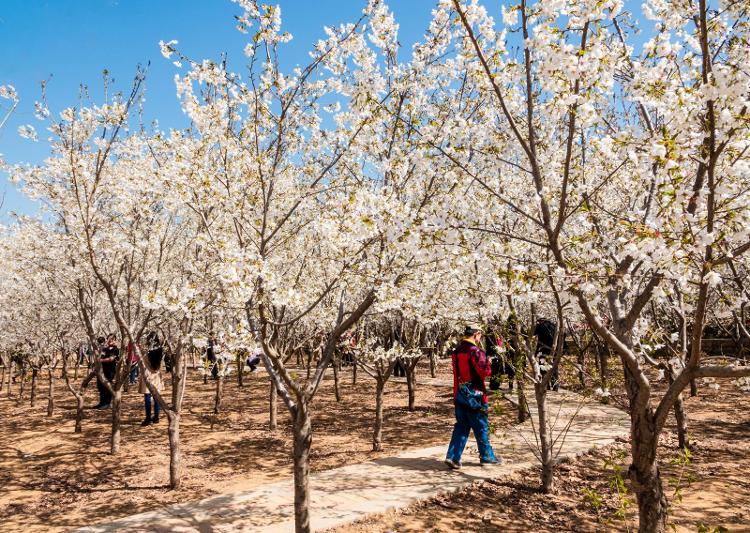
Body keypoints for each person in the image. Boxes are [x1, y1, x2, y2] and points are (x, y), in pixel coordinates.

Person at [445, 325, 501, 469]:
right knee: (481, 425)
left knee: (461, 426)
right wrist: (488, 362)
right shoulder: (475, 351)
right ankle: (487, 456)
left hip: (459, 393)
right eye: (480, 335)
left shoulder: (457, 351)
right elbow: (484, 372)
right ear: (476, 334)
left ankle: (452, 457)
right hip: (476, 395)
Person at [139, 332, 164, 426]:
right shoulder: (160, 350)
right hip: (157, 375)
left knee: (147, 397)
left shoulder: (146, 350)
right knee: (156, 397)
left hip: (148, 375)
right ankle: (156, 417)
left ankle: (148, 418)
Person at [534, 318, 560, 391]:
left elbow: (532, 333)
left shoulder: (540, 326)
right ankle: (555, 386)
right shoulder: (555, 326)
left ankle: (546, 385)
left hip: (542, 349)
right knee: (554, 367)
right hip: (554, 350)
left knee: (543, 367)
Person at [95, 334, 119, 409]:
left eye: (112, 339)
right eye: (109, 339)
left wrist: (100, 360)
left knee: (107, 385)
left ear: (115, 340)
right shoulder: (105, 349)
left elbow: (111, 359)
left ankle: (107, 403)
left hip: (110, 370)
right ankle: (102, 402)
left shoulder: (116, 349)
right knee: (100, 386)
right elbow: (101, 356)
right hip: (102, 370)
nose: (110, 341)